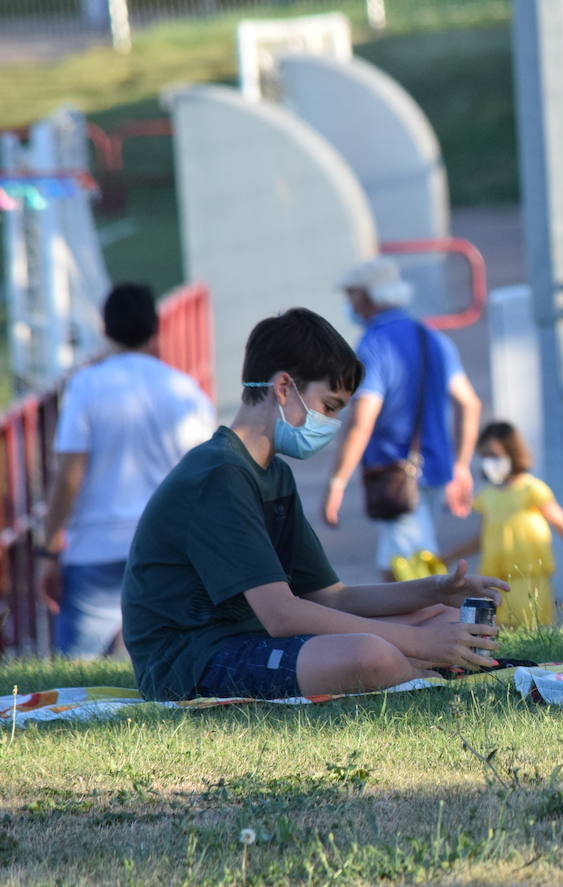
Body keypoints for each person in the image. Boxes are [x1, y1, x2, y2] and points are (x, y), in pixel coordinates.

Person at [121, 308, 507, 701]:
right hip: (190, 660)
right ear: (284, 388)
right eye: (329, 406)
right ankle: (425, 670)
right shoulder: (219, 475)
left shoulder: (273, 473)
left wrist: (435, 591)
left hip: (249, 639)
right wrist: (419, 643)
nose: (332, 423)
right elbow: (282, 614)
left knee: (440, 618)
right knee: (372, 655)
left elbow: (331, 596)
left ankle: (424, 665)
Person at [38, 282, 214, 659]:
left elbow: (69, 476)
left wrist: (48, 550)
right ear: (156, 329)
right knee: (166, 662)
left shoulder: (85, 387)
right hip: (167, 549)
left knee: (77, 672)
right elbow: (206, 479)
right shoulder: (186, 391)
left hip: (94, 550)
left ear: (105, 328)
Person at [322, 256, 483, 579]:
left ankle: (437, 628)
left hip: (393, 474)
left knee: (413, 571)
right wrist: (461, 465)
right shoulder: (432, 337)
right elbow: (470, 404)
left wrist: (337, 481)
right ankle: (410, 627)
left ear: (367, 297)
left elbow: (361, 420)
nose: (349, 303)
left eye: (351, 294)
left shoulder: (373, 345)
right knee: (396, 565)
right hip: (436, 469)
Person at [442, 421, 563, 629]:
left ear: (512, 452)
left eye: (495, 455)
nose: (489, 462)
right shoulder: (486, 496)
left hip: (528, 576)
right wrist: (450, 557)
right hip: (495, 578)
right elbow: (483, 538)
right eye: (485, 456)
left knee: (527, 625)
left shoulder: (532, 489)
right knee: (498, 629)